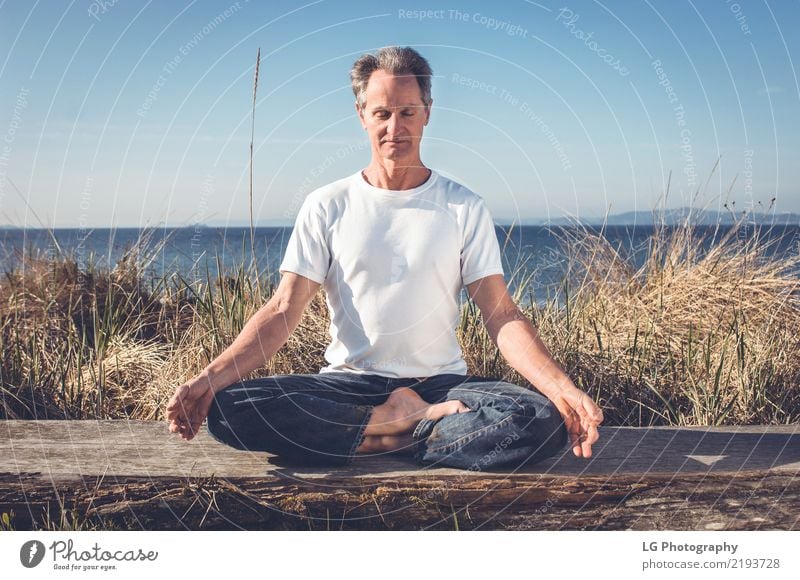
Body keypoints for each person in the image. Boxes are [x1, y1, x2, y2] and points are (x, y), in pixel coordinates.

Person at [166, 46, 603, 469]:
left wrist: (563, 389)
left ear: (427, 112)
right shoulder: (327, 205)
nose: (395, 126)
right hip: (349, 385)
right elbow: (283, 310)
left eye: (408, 112)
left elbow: (501, 314)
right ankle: (406, 428)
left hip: (441, 385)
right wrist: (209, 379)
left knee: (538, 420)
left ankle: (374, 435)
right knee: (232, 409)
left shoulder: (463, 206)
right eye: (382, 113)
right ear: (362, 116)